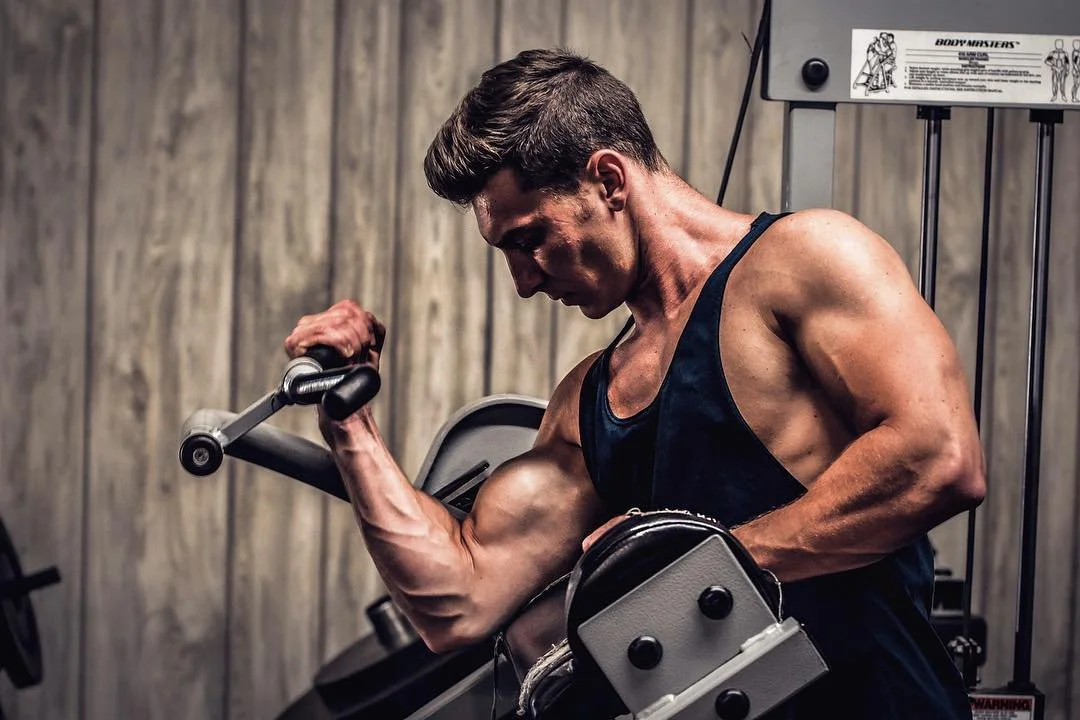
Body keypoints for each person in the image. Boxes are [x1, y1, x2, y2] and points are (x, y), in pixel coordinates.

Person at [284, 49, 986, 719]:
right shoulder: (589, 404)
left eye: (529, 239)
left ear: (610, 181)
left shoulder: (804, 260)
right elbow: (458, 600)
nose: (522, 281)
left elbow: (937, 459)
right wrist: (349, 423)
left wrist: (701, 568)